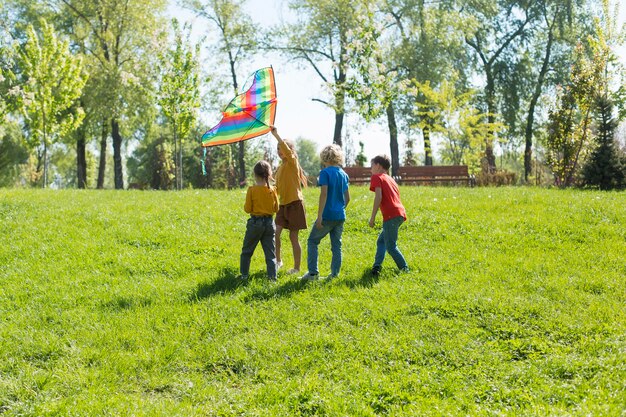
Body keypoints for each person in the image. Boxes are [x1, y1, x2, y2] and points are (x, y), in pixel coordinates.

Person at [301, 144, 350, 281]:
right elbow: (348, 198)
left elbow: (324, 194)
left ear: (324, 158)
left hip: (327, 216)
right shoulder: (343, 174)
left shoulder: (325, 173)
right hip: (340, 216)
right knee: (336, 246)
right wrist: (340, 209)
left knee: (312, 241)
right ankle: (334, 275)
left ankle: (313, 274)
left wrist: (319, 216)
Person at [270, 126, 308, 275]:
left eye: (282, 149)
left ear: (289, 150)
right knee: (275, 234)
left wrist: (276, 136)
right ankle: (278, 262)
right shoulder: (280, 169)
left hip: (295, 204)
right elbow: (277, 188)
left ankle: (297, 268)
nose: (280, 152)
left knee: (293, 237)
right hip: (283, 205)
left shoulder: (293, 163)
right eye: (277, 149)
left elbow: (287, 151)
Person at [368, 155, 409, 276]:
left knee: (391, 246)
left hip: (391, 216)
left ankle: (404, 269)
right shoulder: (391, 179)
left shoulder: (376, 177)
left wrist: (373, 217)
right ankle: (377, 266)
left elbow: (378, 197)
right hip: (399, 213)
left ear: (378, 165)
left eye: (371, 166)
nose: (371, 170)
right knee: (381, 241)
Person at [239, 161, 279, 281]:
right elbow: (276, 208)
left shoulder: (252, 190)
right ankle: (272, 278)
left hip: (255, 224)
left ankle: (244, 275)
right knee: (270, 254)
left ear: (255, 174)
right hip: (269, 224)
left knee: (247, 251)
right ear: (269, 174)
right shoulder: (273, 190)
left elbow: (247, 209)